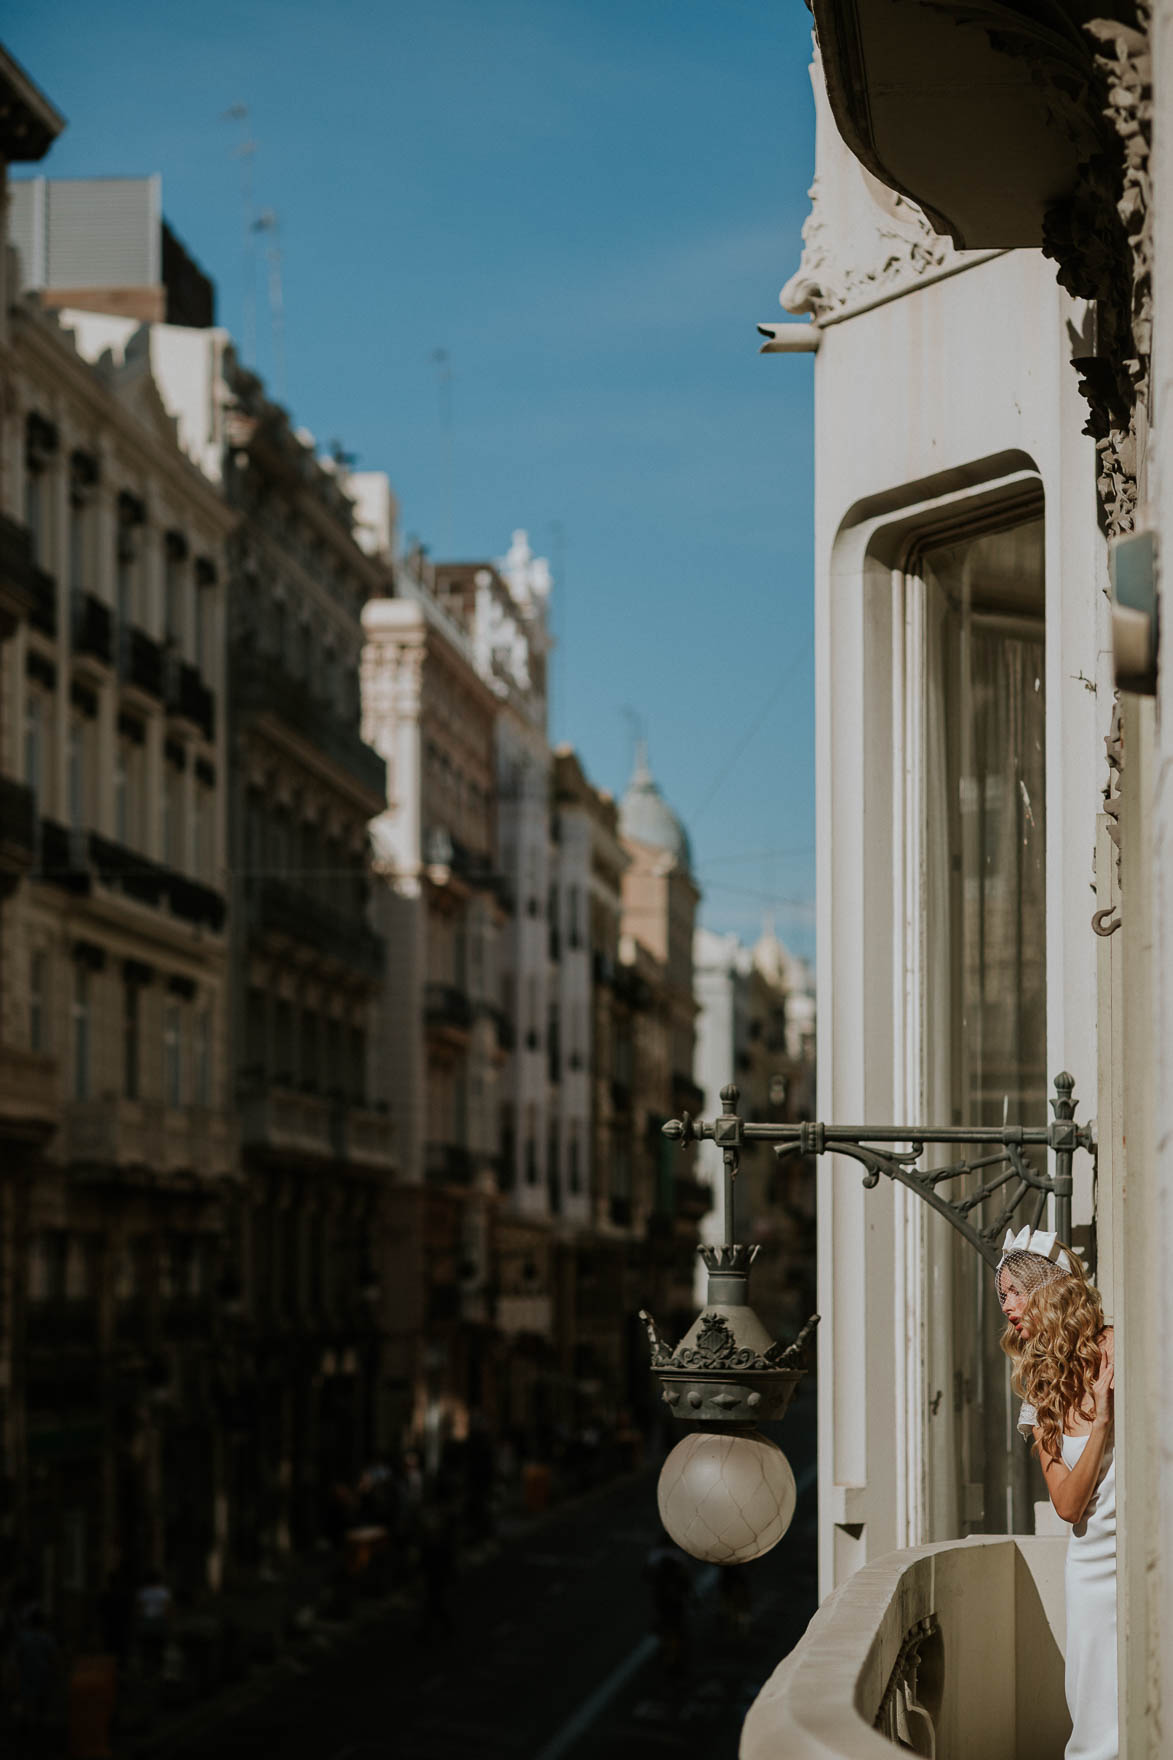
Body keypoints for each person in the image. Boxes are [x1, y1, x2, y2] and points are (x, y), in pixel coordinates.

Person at [996, 1225, 1116, 1760]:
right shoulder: (1040, 1396)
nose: (1008, 1307)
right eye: (1002, 1296)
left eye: (1015, 1291)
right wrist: (1102, 1427)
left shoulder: (1119, 1349)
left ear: (1050, 1290)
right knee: (1095, 1720)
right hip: (1092, 1573)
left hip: (1150, 1556)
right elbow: (1068, 1507)